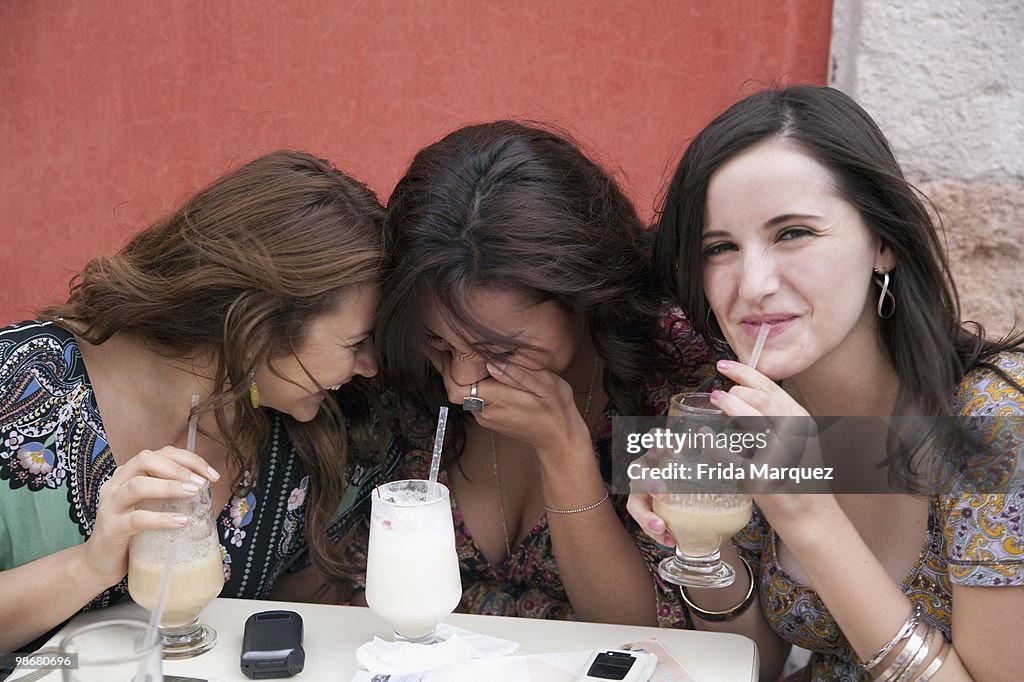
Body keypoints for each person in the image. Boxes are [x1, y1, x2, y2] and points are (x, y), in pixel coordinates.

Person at [629, 85, 1024, 680]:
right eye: (720, 247)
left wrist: (807, 514)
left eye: (793, 233)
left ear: (883, 243)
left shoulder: (990, 418)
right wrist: (703, 542)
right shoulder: (750, 411)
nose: (754, 283)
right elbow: (755, 665)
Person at [0, 150, 399, 655]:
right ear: (260, 325)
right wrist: (89, 566)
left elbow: (295, 636)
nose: (370, 368)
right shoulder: (19, 386)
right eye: (355, 344)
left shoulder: (310, 438)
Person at [340, 120, 713, 625]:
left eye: (502, 350)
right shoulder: (387, 365)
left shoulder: (678, 367)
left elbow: (652, 631)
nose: (460, 383)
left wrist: (563, 450)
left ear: (585, 299)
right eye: (439, 342)